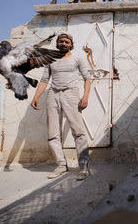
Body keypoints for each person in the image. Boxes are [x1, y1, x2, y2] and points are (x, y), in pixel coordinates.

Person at [31, 32, 92, 180]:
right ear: (57, 44)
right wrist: (36, 96)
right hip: (53, 94)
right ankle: (61, 164)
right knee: (53, 133)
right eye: (61, 42)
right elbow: (45, 79)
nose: (64, 44)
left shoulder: (78, 57)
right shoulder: (51, 59)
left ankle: (83, 166)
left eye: (66, 42)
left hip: (71, 94)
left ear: (71, 44)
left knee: (78, 131)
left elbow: (87, 78)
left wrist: (85, 97)